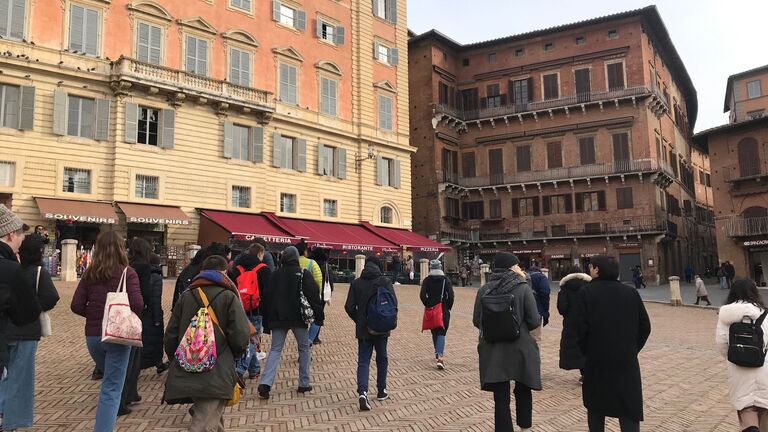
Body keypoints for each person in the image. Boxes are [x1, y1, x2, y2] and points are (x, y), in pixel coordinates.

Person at [163, 255, 250, 431]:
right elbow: (240, 335)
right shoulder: (228, 296)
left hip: (187, 365)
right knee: (204, 423)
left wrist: (177, 359)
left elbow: (170, 334)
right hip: (217, 368)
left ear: (202, 271)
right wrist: (236, 355)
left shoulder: (187, 295)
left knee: (211, 416)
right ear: (224, 272)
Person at [71, 231, 144, 432]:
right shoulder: (127, 273)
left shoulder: (89, 273)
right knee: (112, 388)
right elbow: (137, 303)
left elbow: (76, 305)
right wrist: (118, 316)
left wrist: (95, 316)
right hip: (117, 336)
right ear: (122, 248)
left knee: (108, 382)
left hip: (93, 336)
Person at [577, 255, 651, 432]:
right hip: (626, 359)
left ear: (596, 270)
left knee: (596, 407)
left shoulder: (586, 292)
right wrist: (632, 348)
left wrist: (585, 353)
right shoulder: (631, 293)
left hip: (596, 360)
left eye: (591, 267)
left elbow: (579, 329)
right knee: (628, 407)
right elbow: (645, 326)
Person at [473, 252, 541, 432]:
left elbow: (476, 320)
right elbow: (534, 320)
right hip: (520, 347)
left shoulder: (484, 289)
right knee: (523, 387)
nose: (520, 268)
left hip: (493, 348)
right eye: (517, 265)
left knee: (500, 396)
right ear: (512, 267)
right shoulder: (523, 287)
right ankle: (524, 427)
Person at [0, 235, 59, 431]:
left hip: (6, 329)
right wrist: (33, 308)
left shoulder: (12, 268)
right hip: (26, 330)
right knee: (20, 377)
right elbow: (51, 296)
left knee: (6, 375)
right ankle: (11, 422)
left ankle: (3, 411)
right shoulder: (38, 272)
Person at [257, 246, 324, 400]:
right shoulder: (302, 274)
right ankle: (304, 383)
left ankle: (266, 383)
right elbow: (313, 296)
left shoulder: (274, 275)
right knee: (304, 348)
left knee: (275, 350)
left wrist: (267, 321)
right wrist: (319, 317)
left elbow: (266, 299)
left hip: (278, 318)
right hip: (298, 318)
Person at [715, 279, 768, 432]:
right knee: (764, 411)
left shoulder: (725, 316)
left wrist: (738, 357)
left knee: (746, 410)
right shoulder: (765, 314)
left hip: (738, 370)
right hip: (764, 368)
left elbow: (722, 345)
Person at [345, 255, 397, 411]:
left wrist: (360, 319)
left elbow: (349, 307)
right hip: (381, 328)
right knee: (382, 358)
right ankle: (381, 390)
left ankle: (363, 392)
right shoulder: (385, 281)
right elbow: (394, 304)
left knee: (363, 360)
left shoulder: (356, 283)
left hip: (363, 329)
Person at [0, 205, 41, 380]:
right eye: (20, 234)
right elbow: (27, 314)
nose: (23, 239)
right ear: (10, 234)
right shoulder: (11, 270)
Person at [117, 237, 153, 415]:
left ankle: (130, 393)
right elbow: (144, 293)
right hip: (134, 316)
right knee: (132, 359)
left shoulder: (125, 265)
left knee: (128, 358)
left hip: (119, 315)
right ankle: (125, 398)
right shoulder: (144, 268)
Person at [229, 243, 271, 380]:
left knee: (247, 340)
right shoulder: (263, 269)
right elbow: (268, 291)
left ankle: (254, 370)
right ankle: (240, 370)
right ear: (260, 253)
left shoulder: (236, 269)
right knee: (253, 341)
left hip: (239, 309)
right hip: (256, 310)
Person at [556, 266, 590, 384]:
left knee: (576, 347)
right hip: (588, 321)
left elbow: (562, 308)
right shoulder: (589, 286)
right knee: (589, 346)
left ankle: (584, 374)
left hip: (571, 323)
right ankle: (589, 373)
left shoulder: (564, 288)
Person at [420, 259, 454, 370]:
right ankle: (440, 357)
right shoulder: (445, 280)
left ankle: (437, 352)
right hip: (442, 309)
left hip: (431, 308)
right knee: (441, 332)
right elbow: (451, 296)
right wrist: (447, 306)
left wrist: (428, 303)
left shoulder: (426, 280)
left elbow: (422, 296)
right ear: (440, 268)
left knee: (434, 331)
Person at [142, 253, 167, 373]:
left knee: (145, 339)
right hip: (153, 313)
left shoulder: (142, 274)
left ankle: (143, 362)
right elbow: (156, 298)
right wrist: (157, 318)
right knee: (156, 340)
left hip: (143, 312)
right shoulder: (157, 277)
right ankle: (157, 362)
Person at [296, 240, 324, 349]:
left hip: (296, 298)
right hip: (311, 299)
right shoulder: (312, 263)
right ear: (305, 252)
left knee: (300, 324)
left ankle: (302, 345)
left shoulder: (292, 263)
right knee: (316, 320)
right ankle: (308, 342)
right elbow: (318, 281)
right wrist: (319, 298)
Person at [309, 247, 333, 345]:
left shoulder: (311, 264)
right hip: (322, 294)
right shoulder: (326, 266)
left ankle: (308, 335)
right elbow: (330, 281)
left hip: (311, 293)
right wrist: (330, 292)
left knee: (309, 313)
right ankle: (315, 337)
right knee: (319, 315)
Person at [527, 264, 550, 341]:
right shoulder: (541, 277)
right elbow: (545, 293)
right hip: (537, 310)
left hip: (522, 310)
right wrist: (545, 311)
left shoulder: (522, 277)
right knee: (535, 338)